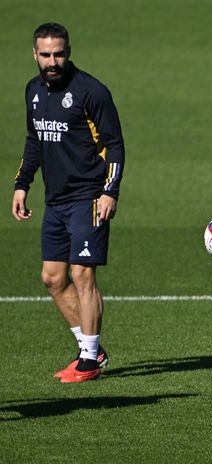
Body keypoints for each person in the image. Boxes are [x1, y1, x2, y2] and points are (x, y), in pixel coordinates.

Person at [12, 23, 125, 383]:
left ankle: (90, 362)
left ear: (68, 50)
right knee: (52, 278)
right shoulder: (32, 91)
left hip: (89, 197)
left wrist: (110, 191)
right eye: (45, 55)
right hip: (55, 200)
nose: (52, 61)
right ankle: (89, 348)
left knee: (82, 274)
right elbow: (34, 141)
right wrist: (21, 184)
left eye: (59, 53)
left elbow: (115, 145)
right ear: (35, 54)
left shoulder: (91, 91)